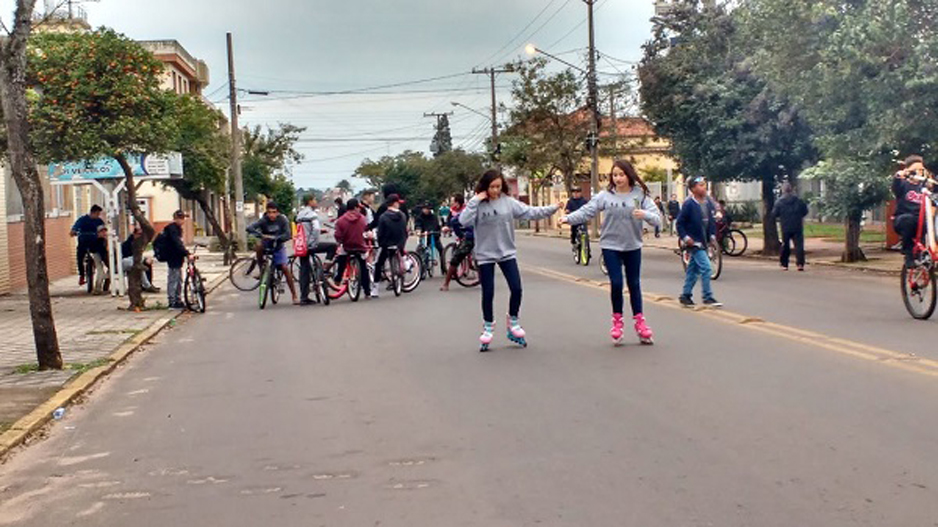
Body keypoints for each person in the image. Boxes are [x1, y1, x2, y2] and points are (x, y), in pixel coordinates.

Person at [459, 170, 562, 352]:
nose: (495, 190)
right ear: (485, 187)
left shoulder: (508, 202)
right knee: (488, 292)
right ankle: (488, 326)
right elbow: (464, 221)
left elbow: (530, 212)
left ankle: (513, 322)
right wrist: (475, 200)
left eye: (498, 186)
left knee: (516, 288)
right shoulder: (478, 205)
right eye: (491, 187)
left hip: (506, 252)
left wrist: (553, 208)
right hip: (485, 255)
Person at [561, 160, 661, 345]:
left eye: (621, 174)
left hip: (632, 245)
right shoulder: (604, 196)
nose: (618, 178)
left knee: (634, 284)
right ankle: (617, 322)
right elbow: (586, 211)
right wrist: (568, 218)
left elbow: (658, 219)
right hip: (610, 245)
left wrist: (645, 215)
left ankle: (640, 323)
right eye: (615, 175)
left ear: (629, 175)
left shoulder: (640, 196)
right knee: (616, 283)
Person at [677, 177, 722, 308]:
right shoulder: (689, 204)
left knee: (692, 270)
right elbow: (680, 223)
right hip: (694, 243)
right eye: (700, 185)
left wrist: (712, 236)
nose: (704, 187)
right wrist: (685, 238)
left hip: (704, 241)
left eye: (704, 184)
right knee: (707, 268)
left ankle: (685, 295)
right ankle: (707, 296)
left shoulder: (707, 203)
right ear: (693, 189)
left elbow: (711, 222)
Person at [248, 202, 299, 305]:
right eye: (269, 212)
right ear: (266, 212)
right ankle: (262, 269)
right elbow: (250, 228)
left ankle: (294, 295)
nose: (271, 215)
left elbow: (288, 234)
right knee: (258, 246)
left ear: (278, 212)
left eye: (274, 212)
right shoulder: (263, 220)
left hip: (278, 246)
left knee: (285, 268)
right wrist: (261, 235)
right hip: (266, 245)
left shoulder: (282, 220)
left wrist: (277, 238)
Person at [295, 195, 337, 305]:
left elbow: (303, 229)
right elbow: (316, 228)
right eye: (314, 200)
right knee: (332, 246)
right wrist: (313, 242)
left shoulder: (300, 214)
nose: (316, 202)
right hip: (311, 245)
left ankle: (304, 297)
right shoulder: (312, 214)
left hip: (302, 246)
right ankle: (326, 268)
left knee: (304, 269)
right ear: (310, 202)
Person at [893, 155, 929, 268]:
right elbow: (896, 186)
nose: (919, 172)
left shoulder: (924, 187)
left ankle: (925, 255)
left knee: (930, 223)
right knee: (908, 220)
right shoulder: (903, 185)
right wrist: (899, 176)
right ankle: (908, 254)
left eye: (921, 170)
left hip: (921, 220)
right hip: (903, 219)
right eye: (915, 170)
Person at [333, 198, 373, 298]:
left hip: (347, 246)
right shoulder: (362, 219)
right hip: (360, 247)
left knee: (341, 260)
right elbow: (366, 231)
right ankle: (367, 292)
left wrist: (340, 241)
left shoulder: (341, 220)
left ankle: (338, 279)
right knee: (364, 268)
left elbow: (337, 235)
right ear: (356, 207)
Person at [372, 194, 408, 297]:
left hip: (386, 245)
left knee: (378, 264)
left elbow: (380, 234)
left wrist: (380, 243)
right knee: (401, 257)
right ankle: (405, 265)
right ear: (395, 203)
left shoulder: (383, 217)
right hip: (399, 244)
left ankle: (375, 289)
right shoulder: (402, 215)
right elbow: (404, 232)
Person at [772, 182, 810, 271]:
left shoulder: (779, 202)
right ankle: (800, 264)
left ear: (783, 190)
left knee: (785, 245)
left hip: (785, 226)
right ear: (791, 190)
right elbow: (805, 211)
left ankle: (784, 264)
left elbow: (774, 213)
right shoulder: (798, 200)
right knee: (799, 245)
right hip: (797, 226)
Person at [441, 193, 474, 292]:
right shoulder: (453, 211)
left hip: (472, 235)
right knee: (456, 257)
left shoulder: (467, 210)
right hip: (463, 235)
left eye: (453, 201)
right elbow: (450, 221)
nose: (452, 203)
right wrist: (447, 227)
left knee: (482, 259)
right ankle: (446, 283)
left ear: (458, 202)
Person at [70, 204, 105, 286]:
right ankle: (82, 275)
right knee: (80, 257)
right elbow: (75, 228)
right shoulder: (82, 220)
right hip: (84, 241)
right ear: (93, 212)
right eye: (97, 214)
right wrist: (73, 231)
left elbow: (103, 230)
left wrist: (102, 233)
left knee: (100, 251)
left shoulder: (99, 221)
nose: (98, 216)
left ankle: (102, 264)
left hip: (95, 242)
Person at [163, 210, 191, 308]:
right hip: (173, 257)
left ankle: (178, 299)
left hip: (177, 258)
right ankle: (172, 301)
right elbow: (177, 243)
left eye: (183, 218)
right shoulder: (172, 229)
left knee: (179, 279)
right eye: (181, 218)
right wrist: (186, 252)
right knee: (173, 278)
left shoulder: (177, 228)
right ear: (176, 218)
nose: (182, 220)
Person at [121, 225, 159, 293]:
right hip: (125, 262)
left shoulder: (138, 242)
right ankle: (147, 286)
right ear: (134, 234)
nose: (140, 236)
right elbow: (129, 256)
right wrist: (144, 259)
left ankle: (148, 284)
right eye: (139, 234)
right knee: (139, 265)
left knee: (145, 264)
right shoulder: (128, 243)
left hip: (132, 261)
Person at [415, 203, 447, 275]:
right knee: (423, 252)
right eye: (425, 208)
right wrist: (419, 230)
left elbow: (437, 226)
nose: (426, 210)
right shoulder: (419, 217)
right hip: (425, 237)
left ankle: (444, 268)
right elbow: (418, 225)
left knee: (442, 250)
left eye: (428, 209)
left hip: (434, 237)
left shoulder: (433, 217)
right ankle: (422, 269)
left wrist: (438, 230)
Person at [89, 224, 110, 295]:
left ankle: (105, 286)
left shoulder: (104, 240)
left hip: (102, 256)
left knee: (109, 269)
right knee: (100, 271)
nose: (104, 233)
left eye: (105, 231)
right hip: (95, 255)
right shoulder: (96, 240)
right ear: (98, 233)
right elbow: (98, 251)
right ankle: (97, 288)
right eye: (102, 231)